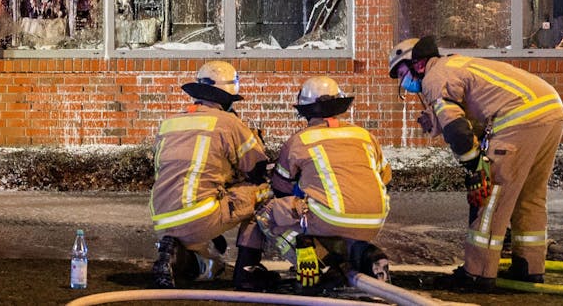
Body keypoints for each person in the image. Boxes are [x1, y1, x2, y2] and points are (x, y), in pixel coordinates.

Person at [389, 36, 563, 291]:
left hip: (519, 119)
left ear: (417, 64)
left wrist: (474, 166)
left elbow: (457, 130)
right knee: (530, 196)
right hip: (550, 112)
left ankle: (477, 273)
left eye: (401, 73)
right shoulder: (456, 65)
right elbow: (469, 116)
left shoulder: (435, 77)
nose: (402, 82)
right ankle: (528, 267)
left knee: (489, 196)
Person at [236, 77, 391, 293]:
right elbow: (385, 178)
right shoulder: (364, 135)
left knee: (268, 211)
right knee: (340, 222)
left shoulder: (300, 140)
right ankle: (366, 255)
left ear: (306, 110)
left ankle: (318, 263)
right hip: (375, 218)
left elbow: (281, 188)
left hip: (330, 217)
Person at [149, 61, 273, 289]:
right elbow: (256, 169)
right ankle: (247, 271)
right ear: (227, 97)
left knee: (210, 267)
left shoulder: (169, 124)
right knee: (263, 193)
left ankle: (179, 255)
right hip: (199, 214)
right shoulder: (228, 122)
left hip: (162, 218)